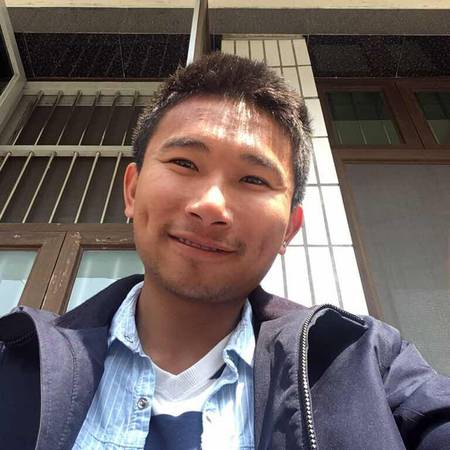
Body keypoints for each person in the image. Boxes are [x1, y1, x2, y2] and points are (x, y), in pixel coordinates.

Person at [1, 52, 449, 450]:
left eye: (253, 179)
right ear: (132, 191)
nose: (211, 206)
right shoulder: (16, 359)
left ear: (289, 229)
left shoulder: (368, 361)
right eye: (184, 163)